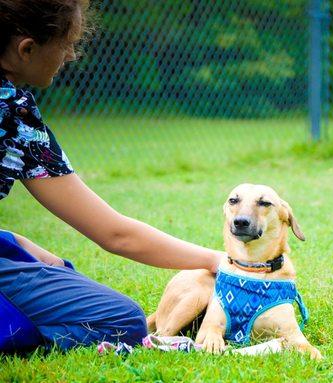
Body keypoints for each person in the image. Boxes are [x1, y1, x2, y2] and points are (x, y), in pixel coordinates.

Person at [0, 0, 224, 353]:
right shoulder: (12, 114)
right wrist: (216, 259)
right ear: (26, 49)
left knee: (59, 267)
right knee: (121, 321)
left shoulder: (16, 107)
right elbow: (115, 233)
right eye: (67, 45)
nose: (72, 56)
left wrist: (11, 239)